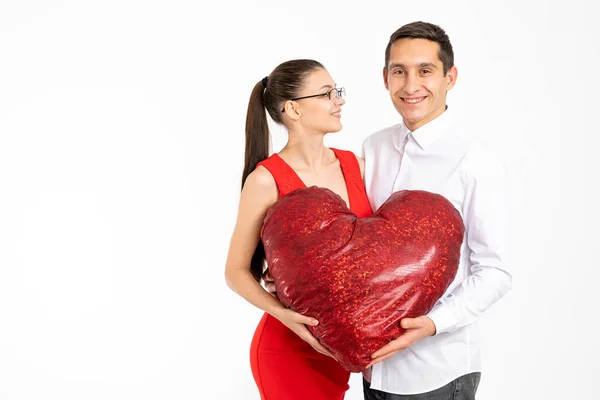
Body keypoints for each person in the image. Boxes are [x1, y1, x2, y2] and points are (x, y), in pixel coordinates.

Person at [360, 21, 512, 399]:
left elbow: (494, 272)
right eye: (400, 71)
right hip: (372, 369)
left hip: (438, 373)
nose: (411, 86)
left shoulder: (475, 161)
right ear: (385, 78)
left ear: (450, 77)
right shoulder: (373, 147)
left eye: (425, 71)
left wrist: (431, 324)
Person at [224, 59, 372, 400]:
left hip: (347, 349)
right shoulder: (265, 180)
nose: (339, 100)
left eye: (337, 91)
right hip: (290, 349)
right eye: (326, 94)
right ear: (293, 109)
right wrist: (284, 316)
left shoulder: (358, 166)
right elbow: (235, 271)